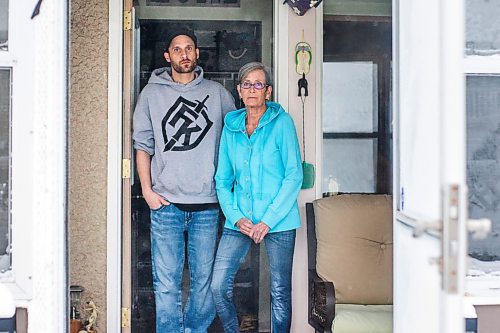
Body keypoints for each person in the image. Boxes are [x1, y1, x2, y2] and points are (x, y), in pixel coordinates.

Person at [132, 27, 235, 333]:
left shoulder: (218, 95)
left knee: (203, 283)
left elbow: (234, 143)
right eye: (177, 49)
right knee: (167, 284)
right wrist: (147, 191)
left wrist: (227, 190)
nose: (184, 54)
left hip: (207, 204)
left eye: (189, 48)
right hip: (166, 205)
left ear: (197, 54)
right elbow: (143, 146)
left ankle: (194, 330)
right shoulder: (151, 94)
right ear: (168, 56)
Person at [211, 62, 303, 333]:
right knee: (218, 285)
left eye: (258, 84)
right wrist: (237, 218)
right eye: (247, 84)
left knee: (279, 290)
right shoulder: (232, 127)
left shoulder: (282, 123)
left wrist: (268, 220)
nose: (252, 89)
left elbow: (293, 175)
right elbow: (222, 180)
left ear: (268, 91)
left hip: (279, 220)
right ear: (239, 90)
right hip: (239, 219)